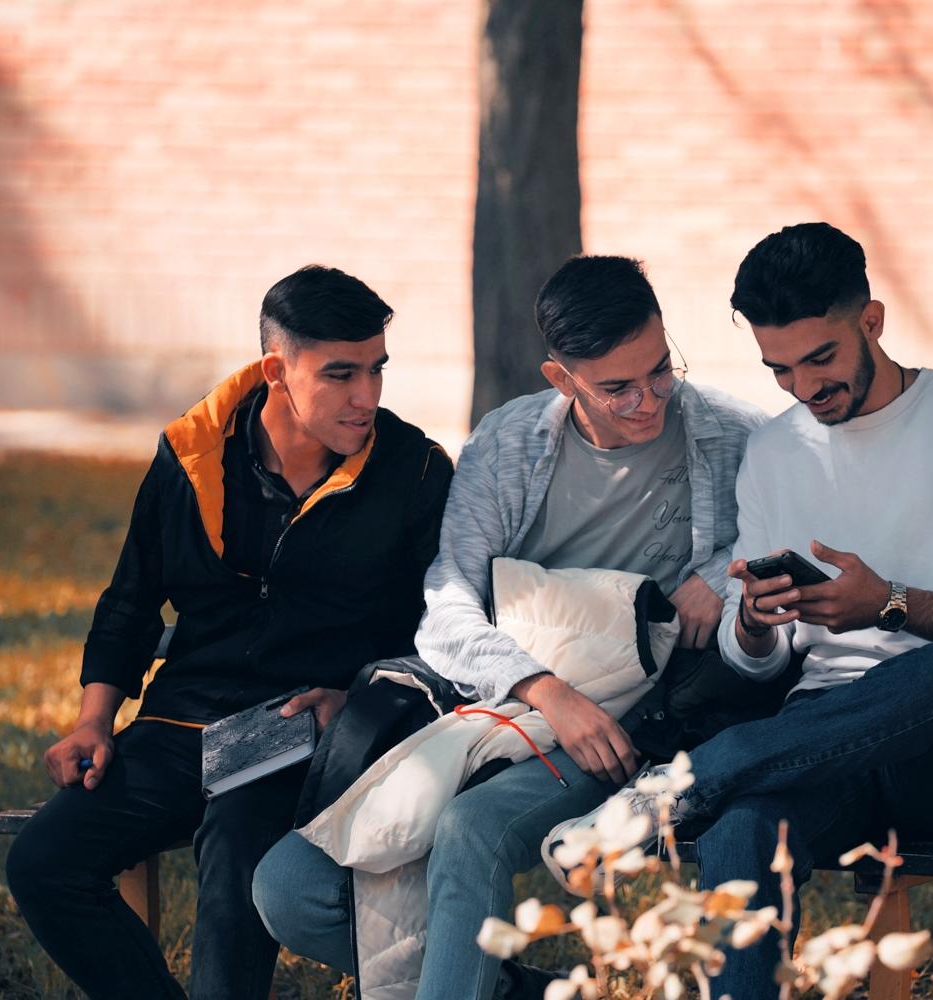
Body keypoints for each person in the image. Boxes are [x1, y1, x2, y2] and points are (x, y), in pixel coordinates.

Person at [543, 223, 933, 997]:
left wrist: (892, 605)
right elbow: (754, 660)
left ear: (872, 321)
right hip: (822, 744)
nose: (803, 388)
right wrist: (753, 623)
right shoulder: (776, 453)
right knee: (742, 831)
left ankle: (677, 790)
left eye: (821, 359)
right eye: (780, 369)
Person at [252, 255, 766, 999]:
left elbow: (795, 529)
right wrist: (546, 690)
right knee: (290, 886)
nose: (648, 401)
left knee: (474, 830)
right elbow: (448, 604)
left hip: (639, 715)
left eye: (660, 371)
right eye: (617, 388)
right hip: (507, 701)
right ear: (562, 379)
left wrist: (718, 578)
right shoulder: (510, 441)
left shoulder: (732, 436)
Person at [4, 266, 453, 1000]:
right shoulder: (191, 456)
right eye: (340, 374)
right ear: (277, 370)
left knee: (237, 846)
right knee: (42, 861)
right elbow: (130, 602)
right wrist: (93, 721)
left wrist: (358, 703)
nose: (366, 396)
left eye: (376, 369)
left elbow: (443, 630)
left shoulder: (415, 471)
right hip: (181, 724)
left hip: (308, 731)